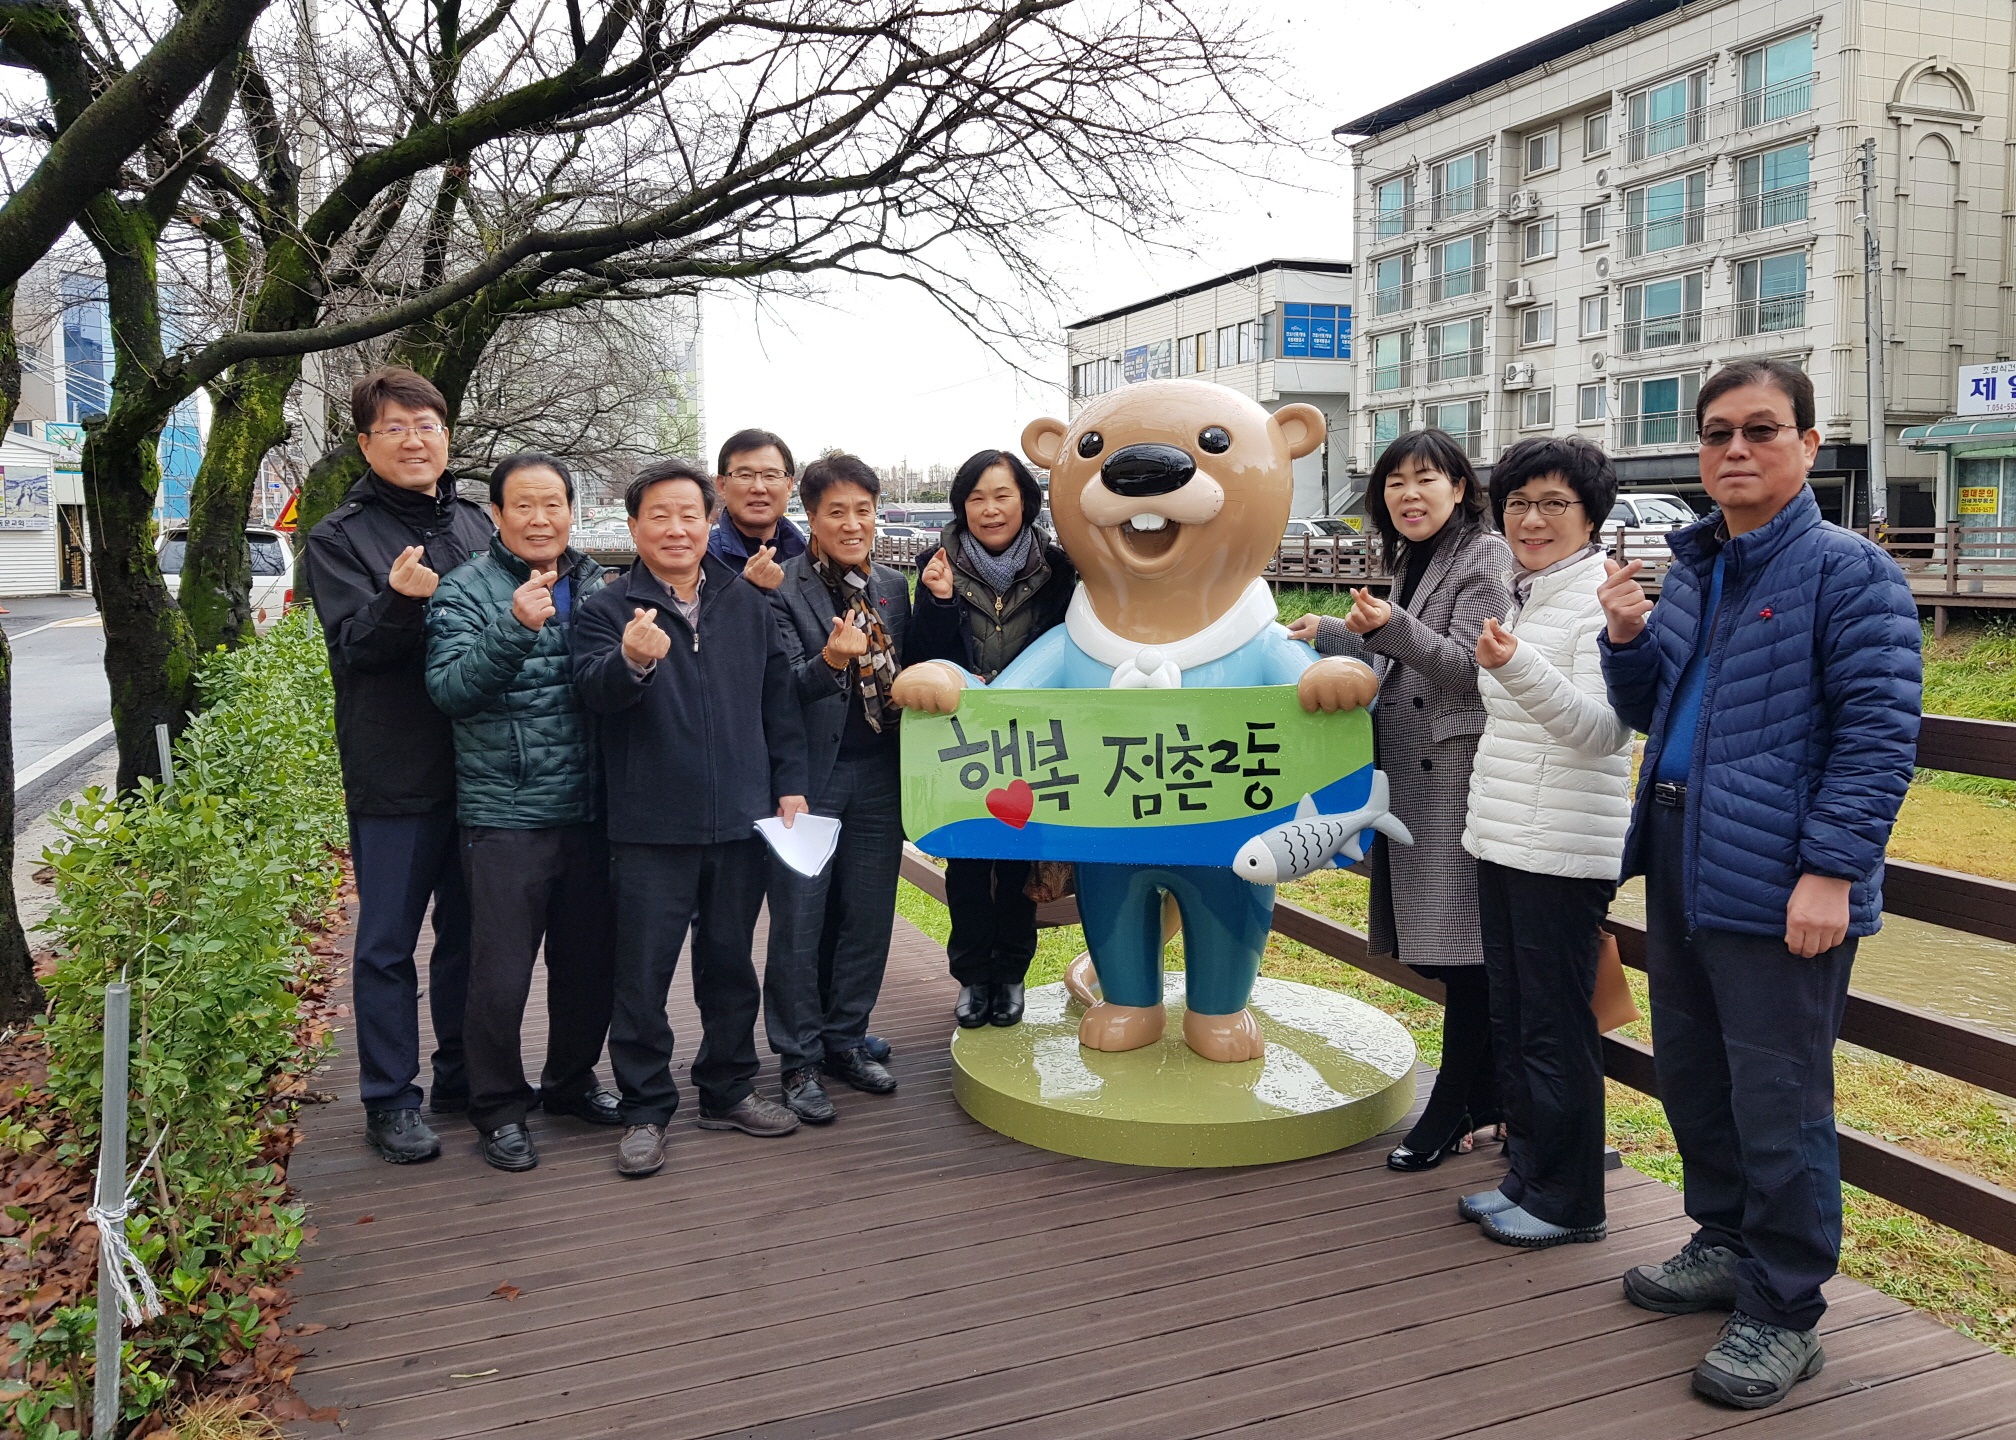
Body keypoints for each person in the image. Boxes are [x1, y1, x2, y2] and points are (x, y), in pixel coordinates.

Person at [1598, 358, 1920, 1409]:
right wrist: (1626, 639)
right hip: (1682, 853)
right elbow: (1650, 711)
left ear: (1808, 445)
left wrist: (1831, 870)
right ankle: (1726, 1241)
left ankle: (1784, 1309)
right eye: (1717, 433)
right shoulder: (1698, 566)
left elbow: (1878, 739)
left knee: (1781, 1099)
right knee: (1695, 1073)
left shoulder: (1850, 572)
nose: (1735, 449)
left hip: (1782, 877)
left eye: (1761, 429)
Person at [572, 458, 811, 1179]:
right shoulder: (607, 610)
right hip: (648, 826)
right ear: (633, 527)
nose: (676, 529)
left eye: (689, 515)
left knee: (730, 965)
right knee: (641, 975)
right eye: (659, 516)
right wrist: (631, 662)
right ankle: (645, 1107)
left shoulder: (746, 602)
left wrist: (789, 786)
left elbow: (779, 704)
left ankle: (728, 1088)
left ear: (709, 522)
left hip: (739, 820)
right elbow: (591, 693)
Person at [1286, 428, 1512, 1171]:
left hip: (1456, 775)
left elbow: (1471, 670)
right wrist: (1329, 631)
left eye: (1426, 479)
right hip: (1416, 774)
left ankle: (1449, 1110)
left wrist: (1391, 625)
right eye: (1394, 483)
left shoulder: (1484, 556)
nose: (1409, 495)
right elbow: (1400, 663)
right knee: (1449, 953)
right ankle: (1487, 1101)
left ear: (1459, 487)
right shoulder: (1418, 557)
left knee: (1466, 955)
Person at [303, 368, 491, 1165]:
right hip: (395, 769)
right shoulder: (338, 537)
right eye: (396, 427)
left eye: (428, 425)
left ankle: (462, 1075)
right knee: (387, 942)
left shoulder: (477, 523)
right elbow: (355, 650)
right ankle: (390, 1099)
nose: (415, 440)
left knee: (470, 933)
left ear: (447, 435)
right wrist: (402, 599)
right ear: (365, 442)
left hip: (480, 768)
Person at [1455, 435, 1632, 1247]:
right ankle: (1526, 1177)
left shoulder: (1597, 598)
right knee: (1518, 1018)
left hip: (1562, 849)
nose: (1532, 519)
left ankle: (1570, 1201)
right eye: (1519, 503)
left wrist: (1518, 664)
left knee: (1556, 1027)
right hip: (1508, 840)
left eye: (1555, 503)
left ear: (1591, 516)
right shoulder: (1532, 593)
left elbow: (1603, 730)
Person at [423, 452, 620, 1173]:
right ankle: (499, 1108)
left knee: (588, 965)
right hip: (506, 814)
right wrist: (512, 627)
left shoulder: (596, 585)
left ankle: (571, 1081)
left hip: (591, 812)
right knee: (500, 976)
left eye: (553, 505)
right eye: (524, 506)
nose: (540, 519)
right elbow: (449, 691)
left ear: (572, 511)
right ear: (497, 515)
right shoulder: (464, 589)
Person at [762, 455, 912, 1122]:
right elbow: (777, 692)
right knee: (800, 921)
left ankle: (846, 1038)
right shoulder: (781, 588)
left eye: (863, 510)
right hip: (809, 780)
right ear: (811, 518)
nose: (853, 524)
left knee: (868, 916)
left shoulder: (891, 586)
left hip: (880, 771)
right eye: (837, 512)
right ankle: (797, 1060)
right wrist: (830, 660)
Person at [907, 448, 1075, 1027]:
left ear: (1025, 501)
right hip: (963, 739)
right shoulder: (938, 564)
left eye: (1002, 495)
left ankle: (1011, 975)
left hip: (1035, 738)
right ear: (962, 507)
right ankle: (973, 978)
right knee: (969, 864)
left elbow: (1071, 644)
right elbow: (921, 653)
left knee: (1021, 861)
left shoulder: (1060, 570)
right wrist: (938, 602)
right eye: (976, 498)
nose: (990, 509)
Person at [708, 428, 806, 592]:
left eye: (771, 476)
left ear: (789, 486)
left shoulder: (809, 556)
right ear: (722, 485)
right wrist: (747, 587)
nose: (759, 488)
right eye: (745, 475)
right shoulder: (701, 558)